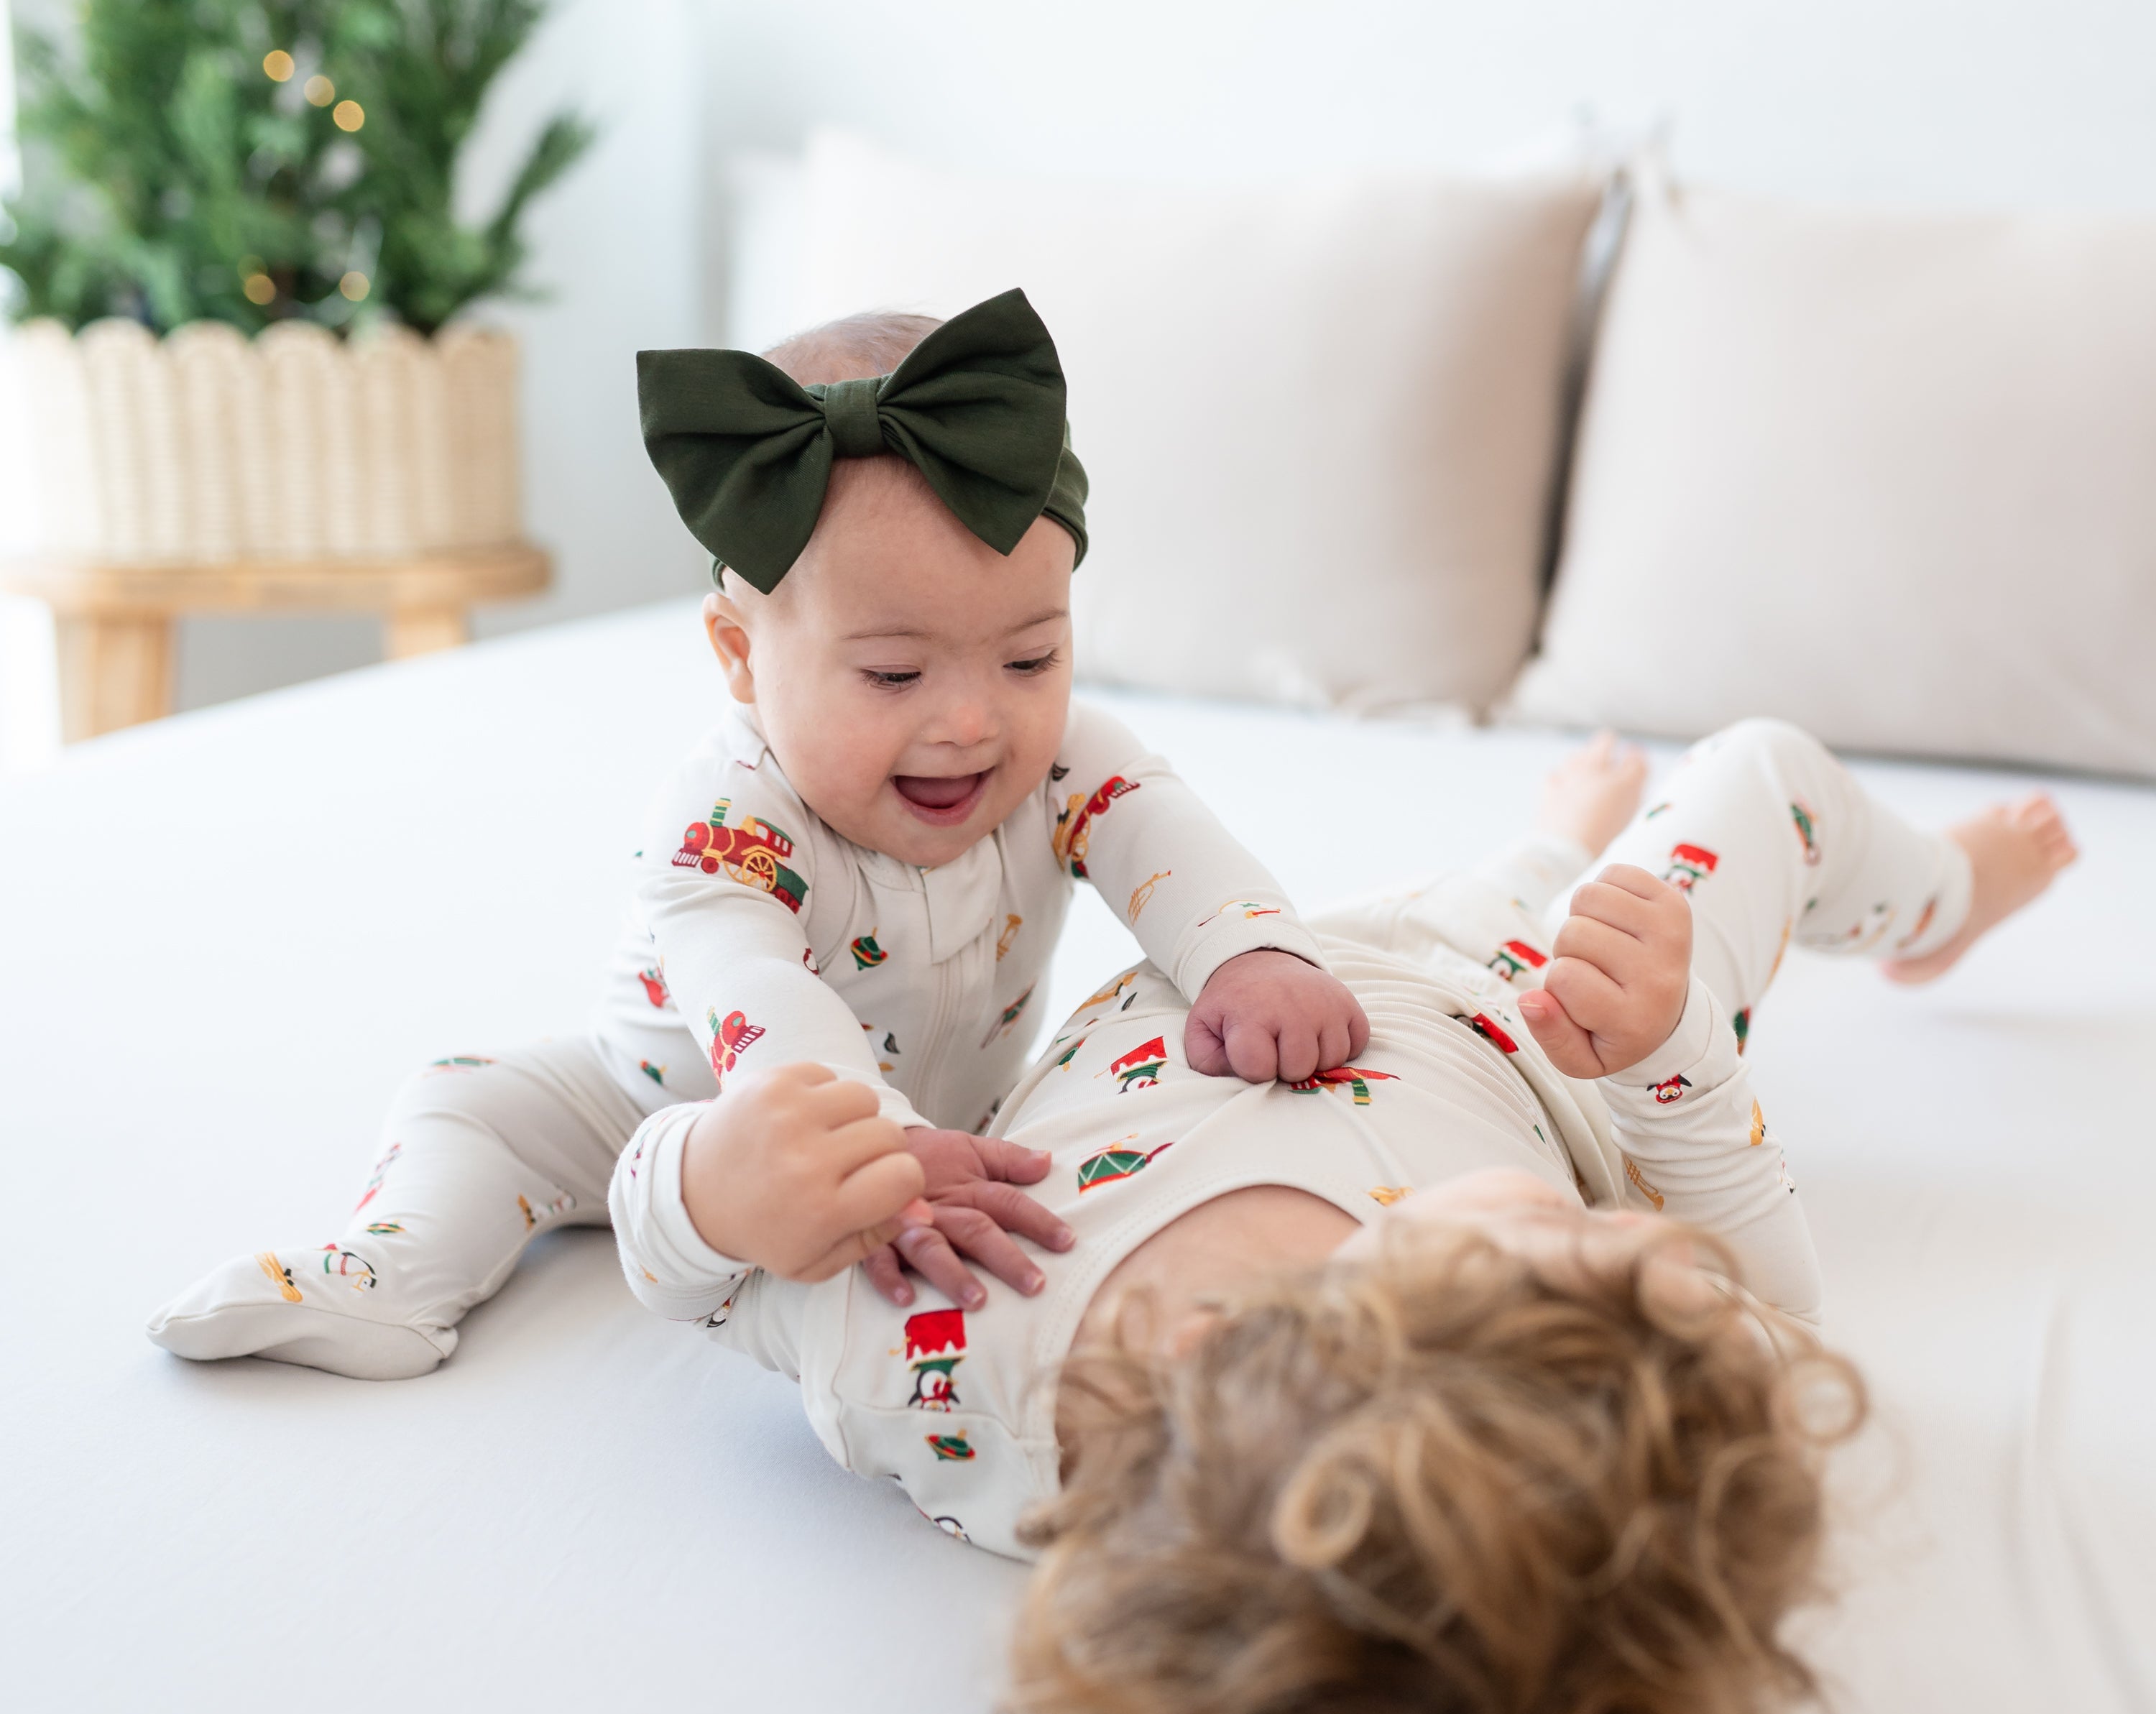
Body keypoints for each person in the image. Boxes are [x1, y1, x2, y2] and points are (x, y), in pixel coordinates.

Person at [612, 715, 2076, 1714]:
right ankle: (1929, 904)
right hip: (1558, 1024)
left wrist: (708, 1185)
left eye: (1581, 1251)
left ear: (1325, 1339)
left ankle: (1578, 854)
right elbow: (1777, 1309)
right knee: (1762, 774)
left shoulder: (950, 1354)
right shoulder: (1638, 1409)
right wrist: (1676, 1058)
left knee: (1487, 895)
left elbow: (704, 1279)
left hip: (1288, 961)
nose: (1656, 1253)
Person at [147, 292, 1365, 1378]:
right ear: (741, 658)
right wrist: (875, 1144)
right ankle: (391, 1273)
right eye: (893, 674)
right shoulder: (724, 823)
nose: (972, 721)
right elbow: (759, 999)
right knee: (465, 1104)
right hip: (657, 1105)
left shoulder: (1062, 756)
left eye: (1031, 657)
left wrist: (1250, 953)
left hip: (963, 1116)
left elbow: (1164, 839)